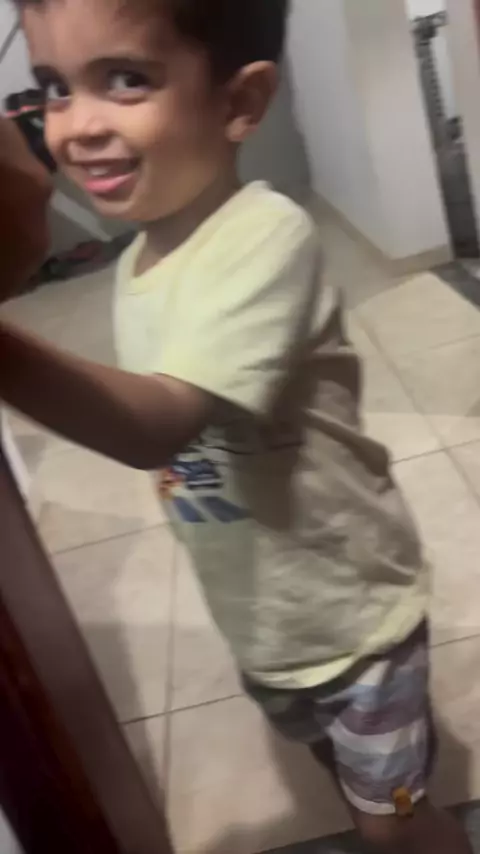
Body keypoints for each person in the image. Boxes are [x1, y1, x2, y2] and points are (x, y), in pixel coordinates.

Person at [0, 1, 472, 851]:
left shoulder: (264, 237)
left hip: (357, 622)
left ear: (240, 101)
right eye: (54, 87)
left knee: (393, 822)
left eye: (125, 80)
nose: (78, 125)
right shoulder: (142, 261)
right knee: (343, 774)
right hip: (268, 620)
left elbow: (158, 425)